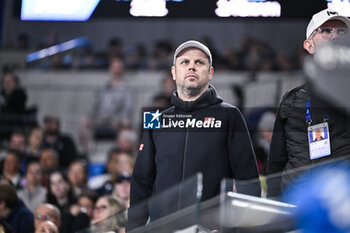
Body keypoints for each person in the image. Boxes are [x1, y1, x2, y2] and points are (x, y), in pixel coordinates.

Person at [128, 40, 260, 228]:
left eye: (199, 62)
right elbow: (142, 181)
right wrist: (134, 228)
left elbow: (248, 180)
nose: (192, 67)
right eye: (184, 62)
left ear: (210, 72)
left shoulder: (230, 116)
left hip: (211, 228)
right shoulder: (156, 120)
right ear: (174, 73)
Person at [266, 8, 350, 198]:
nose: (335, 36)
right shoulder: (292, 98)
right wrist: (272, 204)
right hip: (296, 203)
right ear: (309, 45)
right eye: (326, 31)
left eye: (343, 32)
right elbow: (277, 161)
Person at [79, 57, 134, 152]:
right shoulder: (103, 88)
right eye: (114, 67)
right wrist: (87, 118)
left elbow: (127, 109)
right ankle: (88, 155)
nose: (116, 70)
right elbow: (93, 106)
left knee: (127, 129)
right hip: (100, 120)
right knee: (84, 128)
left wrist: (119, 120)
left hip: (116, 121)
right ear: (110, 68)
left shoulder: (127, 89)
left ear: (122, 69)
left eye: (118, 67)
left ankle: (119, 155)